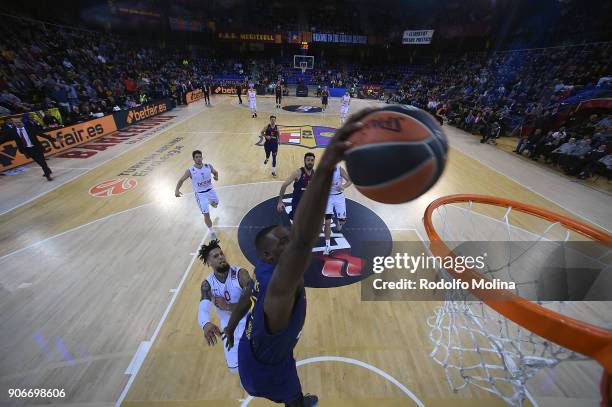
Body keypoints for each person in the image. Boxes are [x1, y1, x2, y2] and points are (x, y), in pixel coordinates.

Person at [222, 109, 372, 406]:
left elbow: (246, 297)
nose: (287, 238)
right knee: (294, 397)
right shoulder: (279, 284)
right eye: (281, 240)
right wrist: (329, 161)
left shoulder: (263, 269)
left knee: (290, 376)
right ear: (268, 253)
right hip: (267, 370)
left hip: (254, 351)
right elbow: (303, 242)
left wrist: (231, 324)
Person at [197, 240, 251, 373]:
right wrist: (205, 324)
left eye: (221, 253)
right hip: (226, 327)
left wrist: (227, 306)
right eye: (215, 256)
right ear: (209, 262)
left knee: (255, 363)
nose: (221, 257)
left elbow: (250, 302)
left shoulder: (241, 274)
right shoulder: (207, 284)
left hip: (248, 323)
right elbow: (203, 307)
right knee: (235, 369)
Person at [175, 150, 219, 240]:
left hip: (211, 191)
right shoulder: (190, 171)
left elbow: (215, 172)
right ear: (194, 159)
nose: (198, 158)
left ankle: (212, 202)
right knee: (206, 214)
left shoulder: (208, 166)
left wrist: (216, 177)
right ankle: (211, 232)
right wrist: (176, 190)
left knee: (216, 204)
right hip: (200, 195)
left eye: (200, 157)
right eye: (196, 157)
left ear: (202, 157)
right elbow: (181, 180)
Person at [0, 117, 61, 181]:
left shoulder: (29, 128)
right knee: (38, 161)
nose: (18, 124)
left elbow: (41, 134)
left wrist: (54, 139)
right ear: (14, 124)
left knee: (42, 161)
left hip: (36, 147)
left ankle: (48, 175)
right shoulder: (12, 131)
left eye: (19, 122)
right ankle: (47, 170)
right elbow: (4, 138)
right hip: (27, 150)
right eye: (16, 123)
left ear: (22, 122)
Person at [276, 153, 315, 220]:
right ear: (304, 161)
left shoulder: (314, 173)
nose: (310, 162)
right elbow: (284, 185)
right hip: (298, 204)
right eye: (308, 160)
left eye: (312, 160)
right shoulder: (298, 173)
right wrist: (280, 202)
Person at [323, 164, 352, 255]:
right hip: (328, 198)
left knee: (342, 220)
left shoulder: (339, 169)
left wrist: (343, 187)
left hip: (339, 197)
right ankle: (327, 246)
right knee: (327, 222)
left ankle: (339, 225)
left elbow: (350, 181)